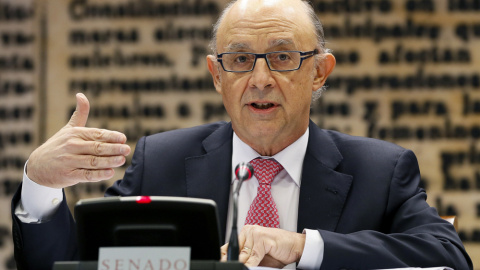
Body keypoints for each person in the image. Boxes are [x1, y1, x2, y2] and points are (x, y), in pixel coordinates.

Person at [11, 0, 472, 269]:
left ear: (319, 72)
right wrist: (40, 186)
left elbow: (448, 255)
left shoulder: (380, 169)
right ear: (217, 75)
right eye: (238, 60)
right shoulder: (162, 161)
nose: (261, 79)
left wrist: (303, 247)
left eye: (283, 57)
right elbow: (74, 264)